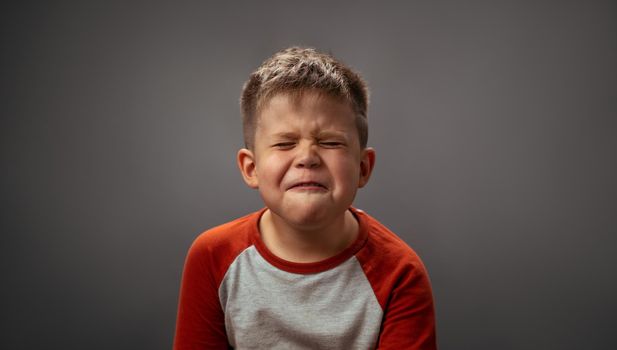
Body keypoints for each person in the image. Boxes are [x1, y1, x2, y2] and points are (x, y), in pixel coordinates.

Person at [173, 47, 437, 349]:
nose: (307, 158)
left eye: (330, 142)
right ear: (251, 168)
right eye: (285, 143)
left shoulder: (400, 273)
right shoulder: (212, 257)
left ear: (363, 168)